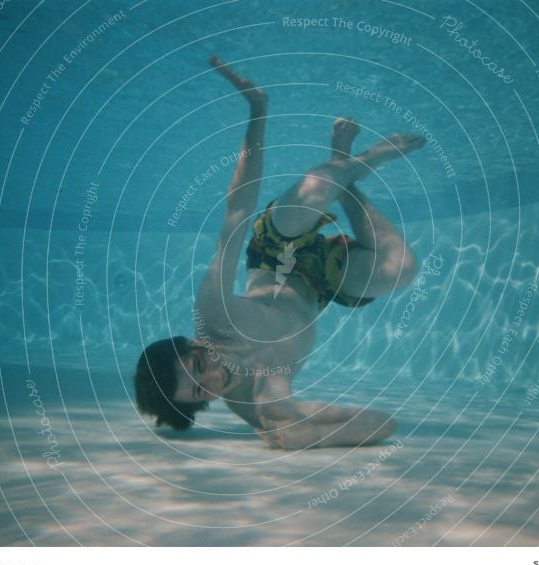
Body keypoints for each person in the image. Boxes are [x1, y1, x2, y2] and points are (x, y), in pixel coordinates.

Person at [135, 55, 425, 449]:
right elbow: (382, 425)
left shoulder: (214, 315)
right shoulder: (258, 407)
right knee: (403, 269)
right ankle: (346, 169)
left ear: (193, 344)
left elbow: (237, 209)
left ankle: (359, 163)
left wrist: (257, 108)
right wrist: (306, 431)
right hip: (322, 286)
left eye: (199, 367)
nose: (215, 380)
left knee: (317, 188)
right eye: (203, 392)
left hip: (277, 252)